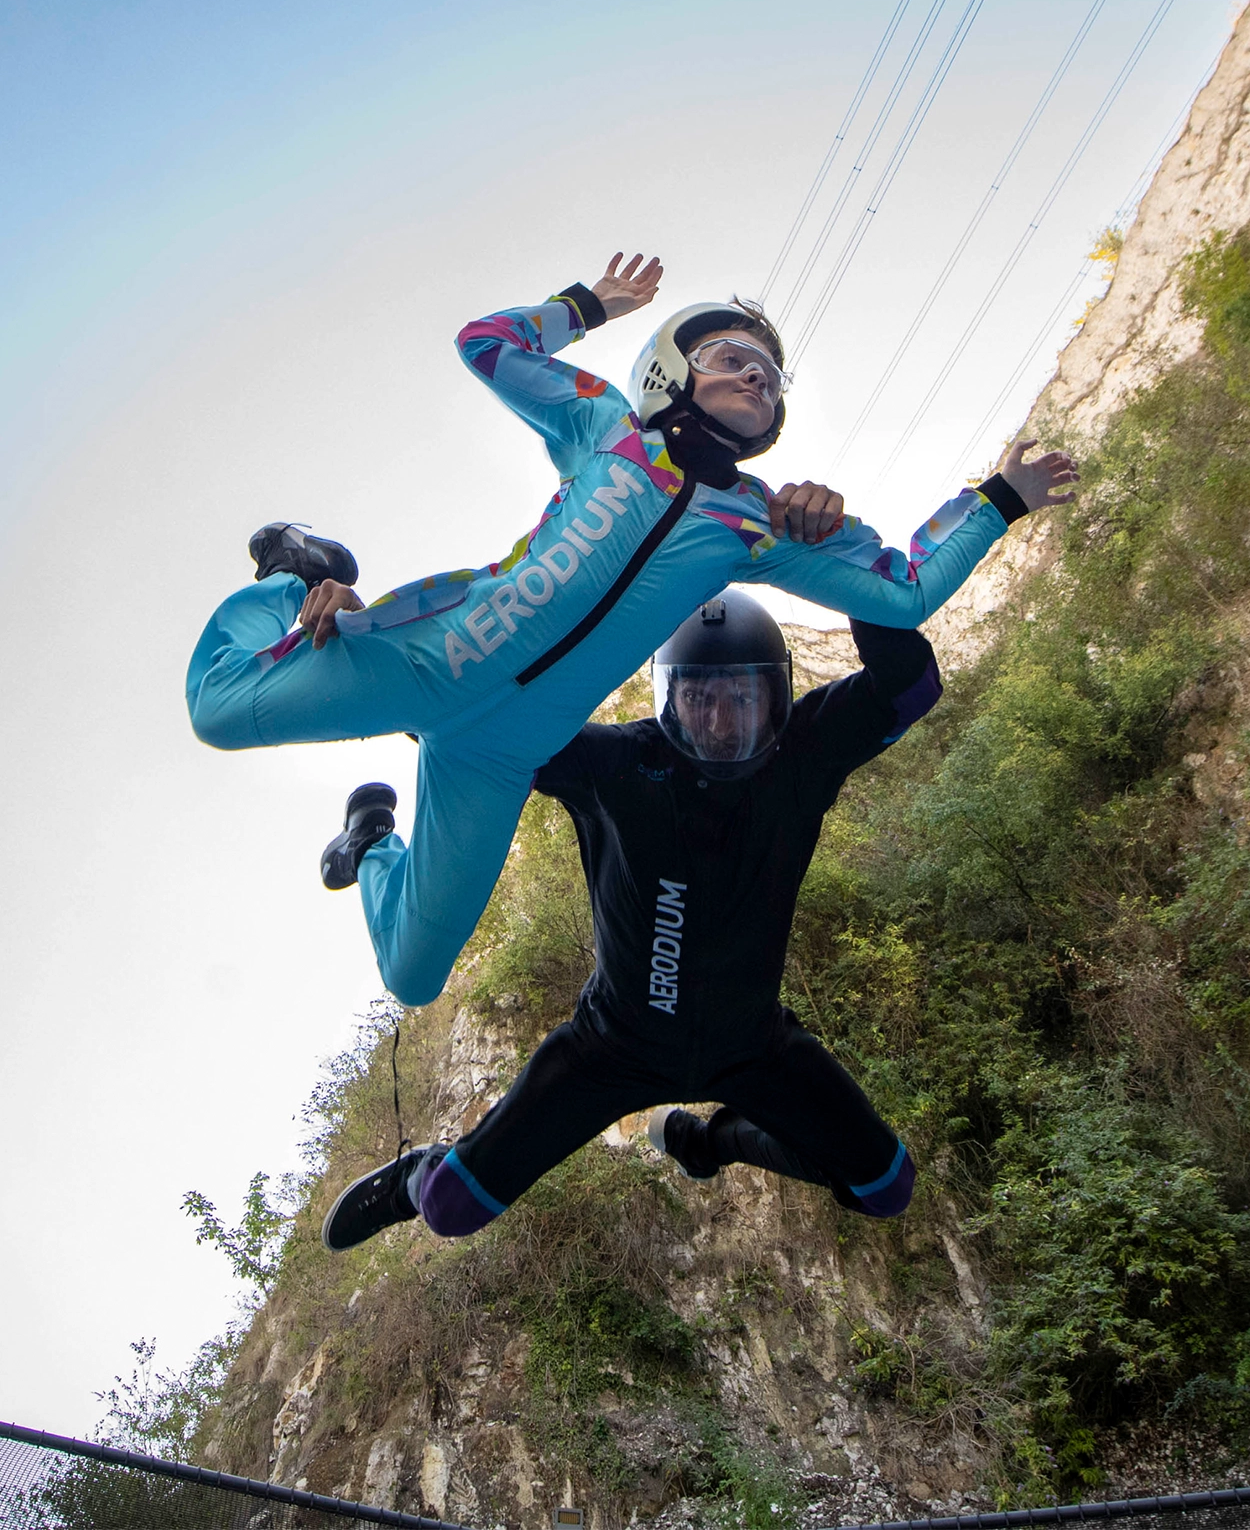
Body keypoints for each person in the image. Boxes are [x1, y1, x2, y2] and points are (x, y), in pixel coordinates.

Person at [187, 253, 1077, 1009]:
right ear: (673, 371)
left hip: (504, 753)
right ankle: (295, 579)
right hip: (430, 659)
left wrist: (997, 501)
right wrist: (588, 306)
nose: (757, 375)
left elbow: (906, 591)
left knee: (415, 976)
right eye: (733, 356)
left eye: (771, 375)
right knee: (218, 711)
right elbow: (485, 343)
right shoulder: (603, 426)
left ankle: (372, 842)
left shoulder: (757, 523)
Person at [321, 591, 942, 1251]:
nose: (721, 719)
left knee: (887, 1187)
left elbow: (912, 682)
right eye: (701, 696)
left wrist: (844, 571)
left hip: (755, 1048)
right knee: (449, 1205)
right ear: (670, 699)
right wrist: (369, 633)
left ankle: (707, 1141)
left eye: (742, 696)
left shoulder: (805, 753)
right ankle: (372, 844)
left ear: (777, 698)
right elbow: (465, 720)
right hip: (610, 1049)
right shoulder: (617, 765)